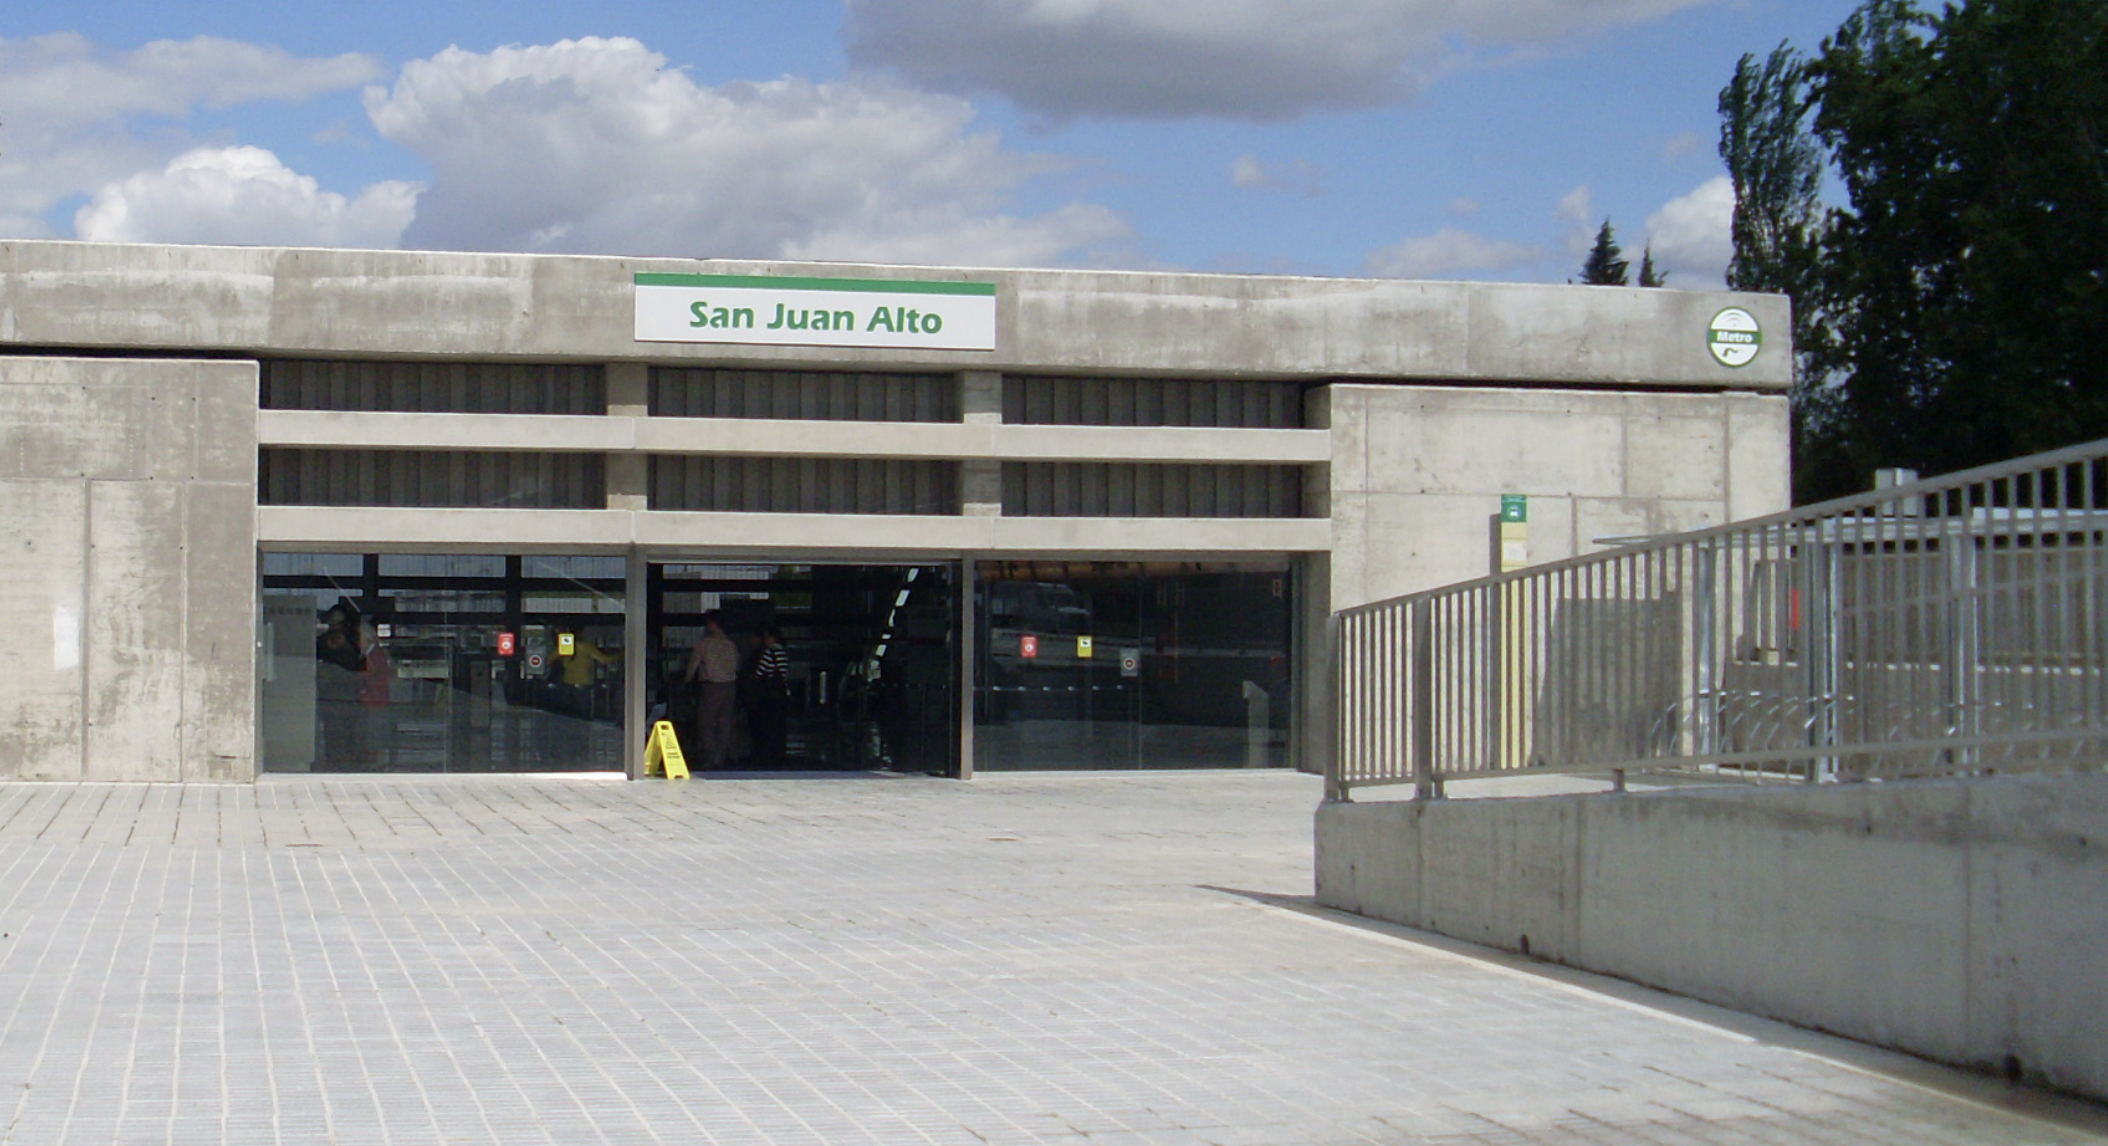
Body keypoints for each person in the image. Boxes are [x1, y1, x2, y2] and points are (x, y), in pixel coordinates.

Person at [681, 611, 740, 769]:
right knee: (724, 723)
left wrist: (686, 681)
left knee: (705, 723)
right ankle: (722, 756)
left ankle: (711, 756)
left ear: (713, 624)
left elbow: (693, 665)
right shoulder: (731, 644)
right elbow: (737, 665)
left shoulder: (704, 644)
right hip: (730, 685)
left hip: (712, 686)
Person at [742, 623, 791, 765]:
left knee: (767, 725)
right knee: (779, 726)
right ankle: (779, 754)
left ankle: (766, 754)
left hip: (768, 695)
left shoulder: (770, 652)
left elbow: (759, 673)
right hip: (781, 694)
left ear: (771, 637)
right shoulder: (782, 652)